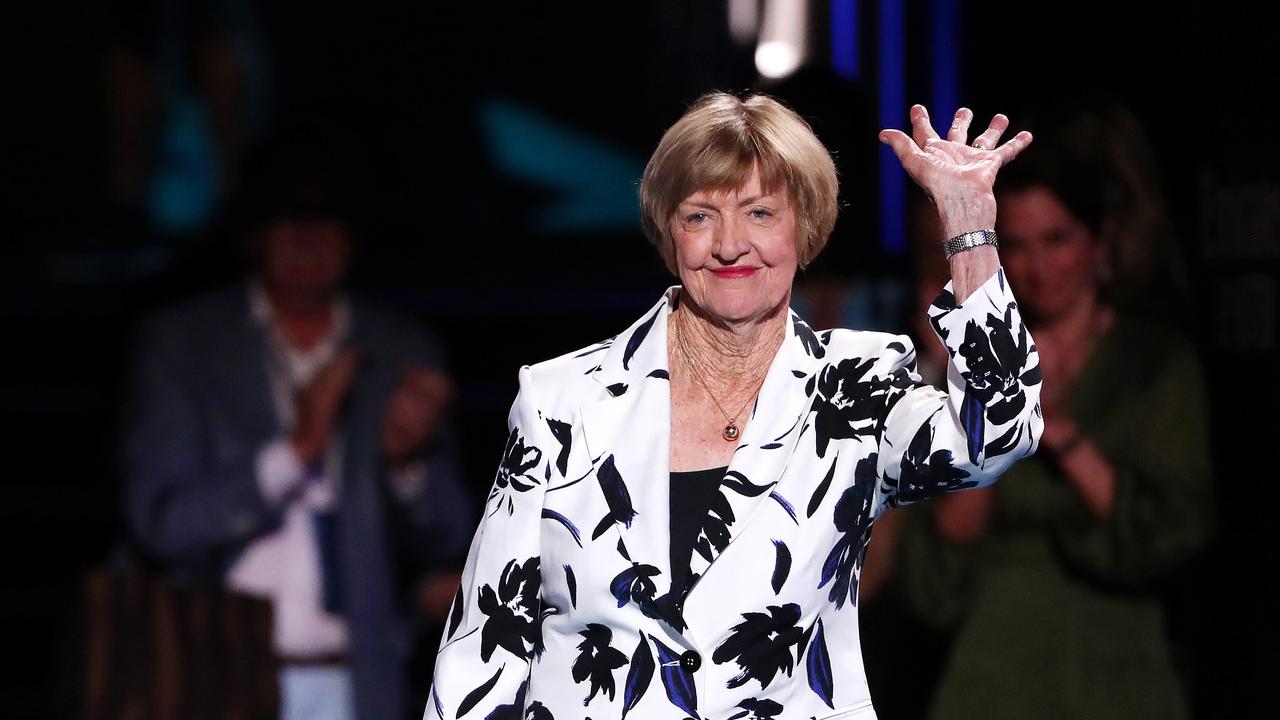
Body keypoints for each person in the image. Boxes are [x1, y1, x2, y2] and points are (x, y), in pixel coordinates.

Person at [426, 93, 1042, 720]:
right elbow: (485, 645)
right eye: (700, 216)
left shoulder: (855, 388)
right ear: (669, 232)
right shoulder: (563, 399)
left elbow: (997, 434)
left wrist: (967, 224)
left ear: (804, 228)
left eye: (759, 213)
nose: (729, 245)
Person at [122, 131, 473, 720]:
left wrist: (405, 458)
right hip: (216, 674)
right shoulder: (185, 346)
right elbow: (162, 522)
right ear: (256, 234)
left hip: (355, 680)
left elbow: (449, 538)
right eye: (291, 220)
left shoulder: (397, 348)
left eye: (327, 221)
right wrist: (295, 451)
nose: (309, 240)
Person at [897, 105, 1213, 719]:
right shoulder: (982, 366)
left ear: (1100, 241)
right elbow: (933, 577)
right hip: (990, 676)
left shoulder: (1152, 363)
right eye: (1016, 245)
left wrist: (1060, 427)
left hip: (1122, 674)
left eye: (1057, 239)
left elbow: (1168, 537)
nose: (1038, 267)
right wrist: (996, 402)